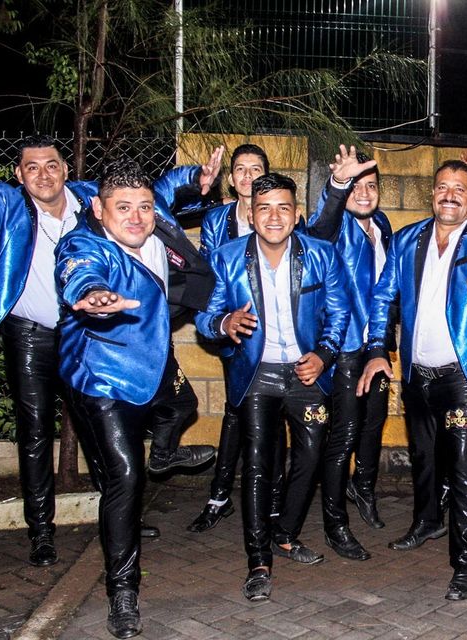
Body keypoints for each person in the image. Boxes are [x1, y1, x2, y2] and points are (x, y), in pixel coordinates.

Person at [0, 137, 216, 567]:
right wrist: (91, 292)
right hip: (32, 336)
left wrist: (197, 177)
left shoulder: (91, 197)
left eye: (52, 164)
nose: (43, 175)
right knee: (35, 432)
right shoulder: (7, 204)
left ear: (66, 169)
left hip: (90, 338)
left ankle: (121, 513)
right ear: (18, 174)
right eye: (32, 167)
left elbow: (157, 190)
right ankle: (41, 532)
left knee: (99, 433)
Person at [55, 157, 215, 639]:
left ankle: (163, 452)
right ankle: (122, 591)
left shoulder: (153, 213)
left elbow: (169, 184)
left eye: (144, 207)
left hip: (154, 357)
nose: (137, 217)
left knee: (185, 407)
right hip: (101, 375)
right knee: (125, 478)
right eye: (122, 207)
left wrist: (196, 178)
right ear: (98, 209)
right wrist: (94, 295)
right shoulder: (83, 243)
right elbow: (78, 270)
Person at [356, 159, 467, 601]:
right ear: (432, 193)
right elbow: (383, 296)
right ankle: (427, 521)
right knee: (425, 459)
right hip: (418, 374)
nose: (449, 195)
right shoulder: (407, 238)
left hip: (464, 377)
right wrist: (376, 350)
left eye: (459, 189)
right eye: (442, 187)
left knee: (465, 468)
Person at [195, 172, 350, 601]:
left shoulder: (321, 254)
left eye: (283, 207)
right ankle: (258, 561)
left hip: (306, 373)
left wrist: (324, 355)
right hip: (257, 374)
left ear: (297, 214)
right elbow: (204, 317)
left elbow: (339, 312)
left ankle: (284, 533)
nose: (274, 216)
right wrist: (223, 323)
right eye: (264, 208)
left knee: (311, 457)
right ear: (251, 213)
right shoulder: (226, 258)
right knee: (259, 465)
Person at [298, 145, 392, 560]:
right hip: (345, 348)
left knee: (374, 424)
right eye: (356, 187)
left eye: (370, 186)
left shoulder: (382, 224)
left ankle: (363, 489)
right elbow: (318, 231)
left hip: (376, 346)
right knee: (345, 434)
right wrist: (337, 185)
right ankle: (335, 524)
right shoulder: (336, 228)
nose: (364, 194)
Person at [188, 143, 286, 534]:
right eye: (241, 169)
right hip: (236, 328)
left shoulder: (278, 214)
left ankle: (269, 500)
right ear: (231, 178)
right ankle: (221, 495)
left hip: (278, 332)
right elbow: (210, 269)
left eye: (255, 169)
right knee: (236, 408)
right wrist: (223, 319)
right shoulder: (217, 218)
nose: (248, 176)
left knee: (271, 414)